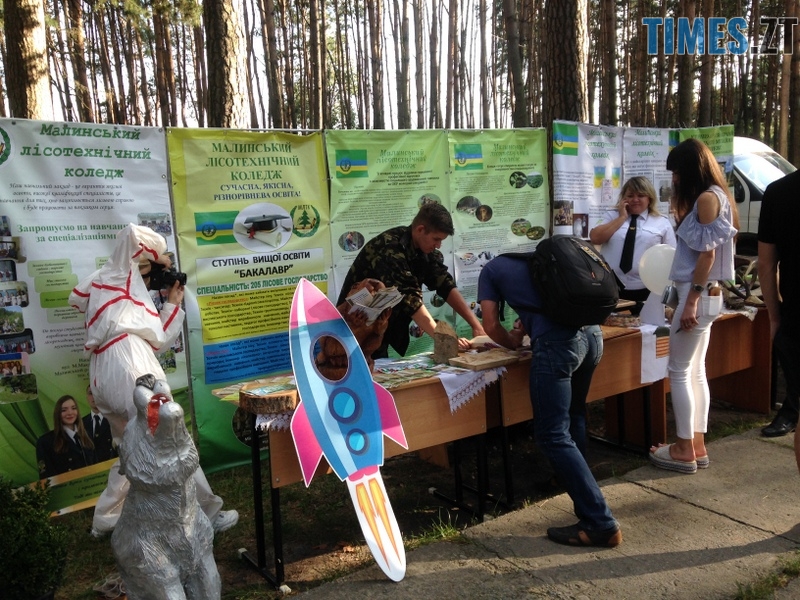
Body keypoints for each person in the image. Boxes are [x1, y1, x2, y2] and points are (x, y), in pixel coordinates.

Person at [69, 223, 238, 536]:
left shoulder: (118, 300)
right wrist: (163, 257)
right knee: (171, 437)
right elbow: (131, 234)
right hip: (128, 363)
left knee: (132, 446)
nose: (149, 274)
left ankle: (106, 518)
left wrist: (172, 303)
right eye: (147, 267)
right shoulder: (116, 273)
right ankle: (206, 515)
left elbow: (156, 342)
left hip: (108, 368)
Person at [478, 256, 621, 548]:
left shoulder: (490, 270)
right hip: (592, 336)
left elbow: (490, 325)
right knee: (574, 415)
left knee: (552, 434)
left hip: (559, 344)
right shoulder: (539, 261)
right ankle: (573, 488)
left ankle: (600, 522)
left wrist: (512, 342)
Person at [649, 138, 738, 474]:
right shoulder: (717, 195)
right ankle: (695, 444)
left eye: (676, 171)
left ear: (689, 170)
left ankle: (684, 447)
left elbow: (707, 255)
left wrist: (690, 302)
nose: (673, 178)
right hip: (707, 295)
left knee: (678, 370)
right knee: (695, 370)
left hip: (696, 294)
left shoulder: (706, 198)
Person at [336, 203, 485, 357]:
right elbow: (410, 299)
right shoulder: (389, 248)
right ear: (420, 229)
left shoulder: (423, 250)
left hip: (377, 329)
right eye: (436, 239)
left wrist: (476, 326)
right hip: (351, 330)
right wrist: (444, 340)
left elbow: (444, 283)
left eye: (441, 240)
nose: (438, 245)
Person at [589, 176, 676, 313]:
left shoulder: (661, 222)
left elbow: (671, 257)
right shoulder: (611, 216)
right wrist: (622, 218)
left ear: (649, 198)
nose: (635, 200)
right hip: (612, 286)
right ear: (623, 198)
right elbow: (595, 238)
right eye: (630, 196)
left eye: (640, 195)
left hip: (646, 288)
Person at [758, 169, 800, 443]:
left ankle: (792, 409)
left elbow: (766, 263)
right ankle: (790, 409)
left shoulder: (778, 191)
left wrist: (775, 316)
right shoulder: (779, 192)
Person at [36, 395, 97, 478]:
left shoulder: (87, 435)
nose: (70, 413)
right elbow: (46, 478)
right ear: (58, 414)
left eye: (73, 408)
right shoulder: (45, 442)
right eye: (64, 410)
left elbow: (96, 467)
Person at [82, 384, 118, 463]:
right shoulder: (81, 423)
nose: (94, 397)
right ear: (87, 397)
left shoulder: (115, 419)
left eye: (97, 393)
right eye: (91, 393)